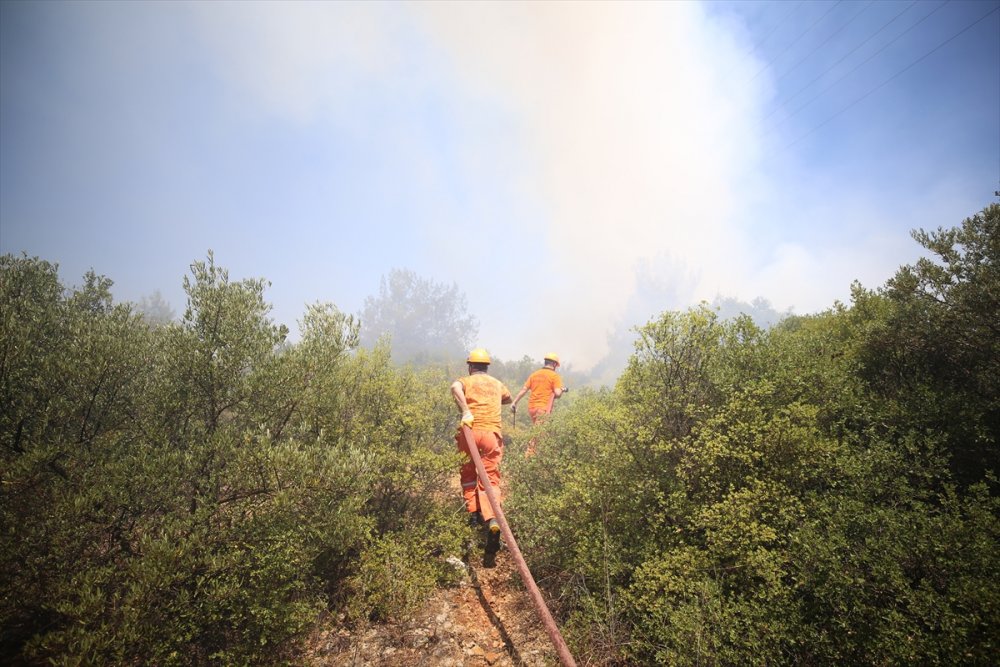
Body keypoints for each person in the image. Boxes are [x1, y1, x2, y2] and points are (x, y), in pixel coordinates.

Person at [451, 347, 512, 555]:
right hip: (491, 435)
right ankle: (493, 520)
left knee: (468, 475)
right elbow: (508, 399)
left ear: (470, 366)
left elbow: (454, 387)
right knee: (490, 478)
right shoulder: (497, 383)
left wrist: (466, 410)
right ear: (487, 367)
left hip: (469, 432)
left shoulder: (466, 381)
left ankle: (473, 515)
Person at [511, 353, 567, 456]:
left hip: (532, 408)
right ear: (554, 364)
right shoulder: (554, 376)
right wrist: (562, 390)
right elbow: (558, 393)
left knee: (542, 434)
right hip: (543, 409)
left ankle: (538, 455)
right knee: (537, 435)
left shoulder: (534, 374)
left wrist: (514, 402)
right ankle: (528, 457)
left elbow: (524, 390)